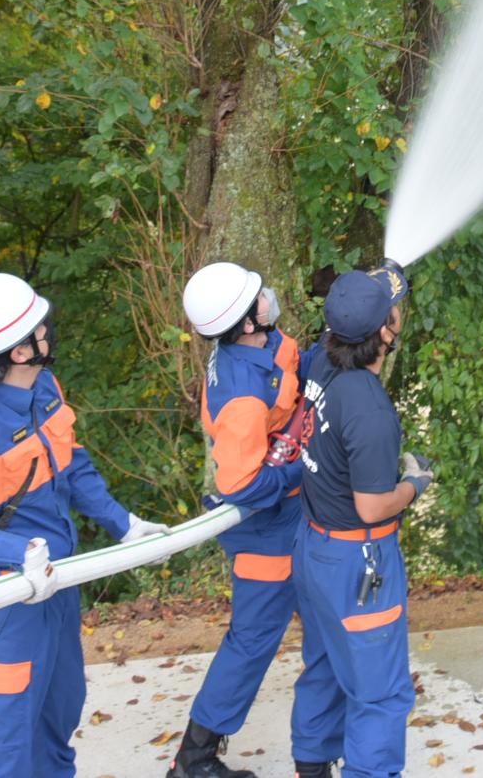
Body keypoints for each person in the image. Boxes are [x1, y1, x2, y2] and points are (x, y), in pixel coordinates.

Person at [0, 272, 171, 778]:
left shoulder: (44, 387)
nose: (50, 330)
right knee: (1, 749)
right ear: (20, 351)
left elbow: (70, 463)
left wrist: (123, 523)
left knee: (59, 717)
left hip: (54, 586)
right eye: (40, 327)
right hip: (6, 604)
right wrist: (16, 553)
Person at [289, 260, 435, 778]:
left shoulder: (321, 363)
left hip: (313, 551)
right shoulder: (371, 410)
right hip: (358, 563)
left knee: (326, 664)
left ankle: (311, 765)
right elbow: (373, 506)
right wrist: (414, 483)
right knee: (380, 695)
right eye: (393, 309)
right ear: (385, 333)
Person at [169, 262, 307, 778]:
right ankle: (194, 760)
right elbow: (242, 485)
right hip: (263, 529)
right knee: (251, 642)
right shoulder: (243, 398)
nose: (268, 295)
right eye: (258, 297)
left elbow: (293, 361)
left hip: (289, 518)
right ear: (247, 322)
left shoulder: (258, 347)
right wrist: (297, 468)